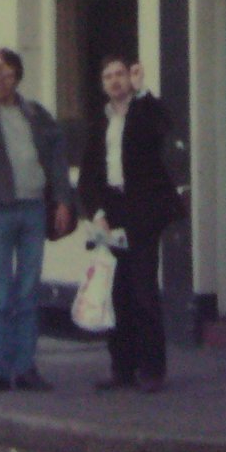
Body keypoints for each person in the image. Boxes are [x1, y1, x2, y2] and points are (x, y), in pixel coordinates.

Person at [0, 47, 74, 395]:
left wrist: (63, 200)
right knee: (1, 294)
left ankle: (25, 369)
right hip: (0, 209)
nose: (2, 80)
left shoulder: (34, 113)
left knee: (28, 292)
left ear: (18, 77)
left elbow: (56, 157)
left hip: (33, 209)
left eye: (8, 74)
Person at [78, 57, 185, 393]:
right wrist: (97, 213)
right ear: (102, 84)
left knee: (143, 291)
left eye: (120, 74)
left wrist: (144, 93)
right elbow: (88, 175)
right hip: (111, 211)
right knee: (115, 292)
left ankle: (152, 370)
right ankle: (121, 367)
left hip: (142, 211)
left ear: (130, 78)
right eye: (107, 76)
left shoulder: (143, 112)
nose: (114, 81)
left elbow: (164, 127)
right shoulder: (99, 121)